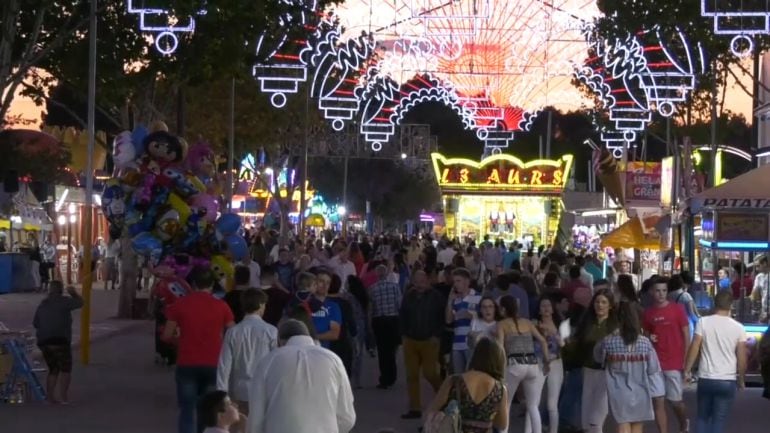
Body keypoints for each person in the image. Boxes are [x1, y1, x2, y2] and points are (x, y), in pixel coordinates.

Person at [247, 320, 355, 433]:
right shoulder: (333, 359)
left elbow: (256, 419)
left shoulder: (268, 361)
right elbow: (348, 418)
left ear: (280, 341)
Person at [163, 267, 235, 433]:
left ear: (193, 284)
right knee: (209, 410)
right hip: (213, 364)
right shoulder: (222, 306)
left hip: (186, 363)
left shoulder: (179, 305)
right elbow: (232, 332)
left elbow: (166, 335)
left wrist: (180, 341)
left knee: (187, 410)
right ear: (212, 285)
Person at [684, 290, 748, 433]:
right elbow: (742, 356)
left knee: (702, 417)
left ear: (714, 303)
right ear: (731, 305)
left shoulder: (703, 322)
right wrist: (741, 378)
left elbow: (695, 347)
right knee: (719, 420)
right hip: (727, 379)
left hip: (706, 377)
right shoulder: (739, 328)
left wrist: (687, 370)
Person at [595, 302, 661, 433]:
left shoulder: (609, 341)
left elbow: (597, 357)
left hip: (618, 392)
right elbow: (653, 368)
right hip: (641, 391)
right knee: (637, 426)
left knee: (623, 425)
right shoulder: (645, 342)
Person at [426, 338, 509, 433]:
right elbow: (502, 424)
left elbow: (432, 410)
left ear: (476, 356)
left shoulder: (454, 381)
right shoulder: (500, 389)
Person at [216, 289, 277, 414]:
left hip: (239, 390)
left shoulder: (233, 332)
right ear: (260, 305)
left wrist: (222, 393)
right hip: (263, 389)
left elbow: (224, 365)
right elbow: (276, 364)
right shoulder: (271, 331)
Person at [642, 276, 690, 433]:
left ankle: (683, 422)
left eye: (664, 290)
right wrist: (649, 337)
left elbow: (686, 333)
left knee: (675, 401)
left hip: (674, 362)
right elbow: (645, 335)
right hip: (655, 362)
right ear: (651, 292)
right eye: (657, 291)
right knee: (658, 401)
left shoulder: (677, 309)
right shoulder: (648, 313)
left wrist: (687, 359)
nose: (661, 294)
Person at [496, 295, 550, 433]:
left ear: (503, 308)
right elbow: (543, 341)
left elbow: (500, 348)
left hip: (514, 364)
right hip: (532, 364)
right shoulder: (527, 322)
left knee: (506, 405)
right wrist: (546, 361)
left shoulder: (502, 324)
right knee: (533, 406)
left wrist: (500, 368)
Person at [399, 269, 445, 418]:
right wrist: (404, 333)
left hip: (429, 340)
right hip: (410, 340)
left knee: (430, 373)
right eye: (416, 282)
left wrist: (436, 335)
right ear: (413, 282)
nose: (419, 285)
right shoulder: (409, 296)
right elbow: (403, 314)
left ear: (428, 281)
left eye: (422, 281)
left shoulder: (436, 297)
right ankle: (415, 408)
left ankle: (444, 396)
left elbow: (442, 317)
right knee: (411, 375)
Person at [570, 289, 617, 433]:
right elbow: (576, 344)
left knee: (598, 415)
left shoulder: (614, 326)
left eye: (604, 302)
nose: (600, 305)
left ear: (610, 305)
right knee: (587, 412)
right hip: (588, 370)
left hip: (607, 373)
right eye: (597, 302)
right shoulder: (586, 323)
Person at [32, 281, 83, 404]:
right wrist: (73, 293)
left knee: (53, 369)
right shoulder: (64, 301)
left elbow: (36, 323)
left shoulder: (43, 304)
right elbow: (80, 303)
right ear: (61, 290)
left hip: (44, 341)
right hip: (60, 340)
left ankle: (50, 397)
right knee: (65, 369)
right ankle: (63, 397)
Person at [533, 296, 564, 433]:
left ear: (552, 309)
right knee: (534, 401)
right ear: (539, 310)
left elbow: (564, 344)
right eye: (543, 306)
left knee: (552, 404)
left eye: (548, 305)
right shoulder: (534, 324)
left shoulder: (560, 324)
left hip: (555, 363)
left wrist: (553, 332)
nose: (546, 308)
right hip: (539, 362)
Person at [369, 264, 403, 389]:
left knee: (382, 351)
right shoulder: (395, 287)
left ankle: (384, 378)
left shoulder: (372, 288)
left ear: (377, 274)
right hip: (393, 319)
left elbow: (371, 308)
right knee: (392, 349)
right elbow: (400, 304)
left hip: (379, 321)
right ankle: (392, 375)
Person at [446, 268, 483, 374]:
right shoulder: (455, 300)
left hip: (471, 344)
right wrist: (449, 301)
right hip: (457, 344)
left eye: (458, 281)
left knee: (471, 376)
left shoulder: (478, 297)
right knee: (458, 377)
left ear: (467, 281)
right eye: (454, 282)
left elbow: (485, 319)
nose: (455, 284)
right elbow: (448, 320)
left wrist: (471, 316)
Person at [328, 273, 357, 376]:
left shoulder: (320, 303)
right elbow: (352, 324)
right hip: (343, 340)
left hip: (325, 341)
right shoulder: (345, 303)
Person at [310, 268, 342, 349]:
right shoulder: (304, 303)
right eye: (321, 281)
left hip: (322, 352)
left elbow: (334, 334)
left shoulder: (333, 306)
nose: (324, 285)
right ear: (314, 282)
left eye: (327, 283)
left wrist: (312, 337)